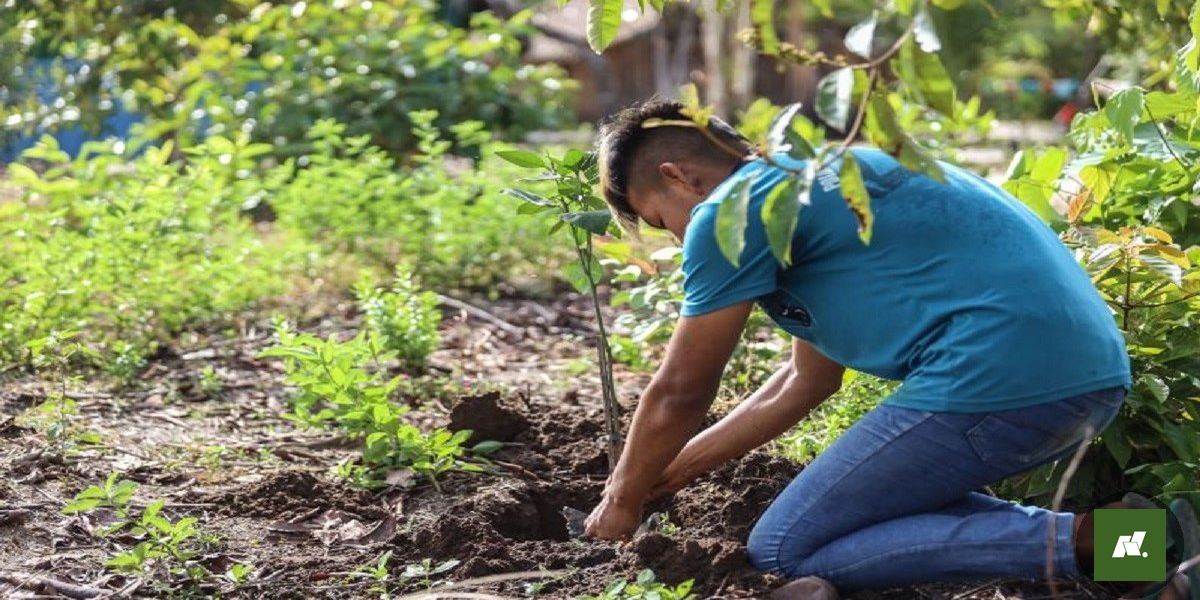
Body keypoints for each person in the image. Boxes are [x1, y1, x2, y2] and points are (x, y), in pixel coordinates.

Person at [579, 99, 1182, 598]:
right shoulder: (819, 182)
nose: (680, 238)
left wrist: (620, 500)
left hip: (995, 379)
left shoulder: (731, 212)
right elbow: (804, 383)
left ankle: (1116, 545)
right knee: (851, 523)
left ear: (676, 176)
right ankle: (1144, 552)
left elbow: (681, 390)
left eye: (663, 222)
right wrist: (669, 473)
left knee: (782, 550)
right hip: (1082, 374)